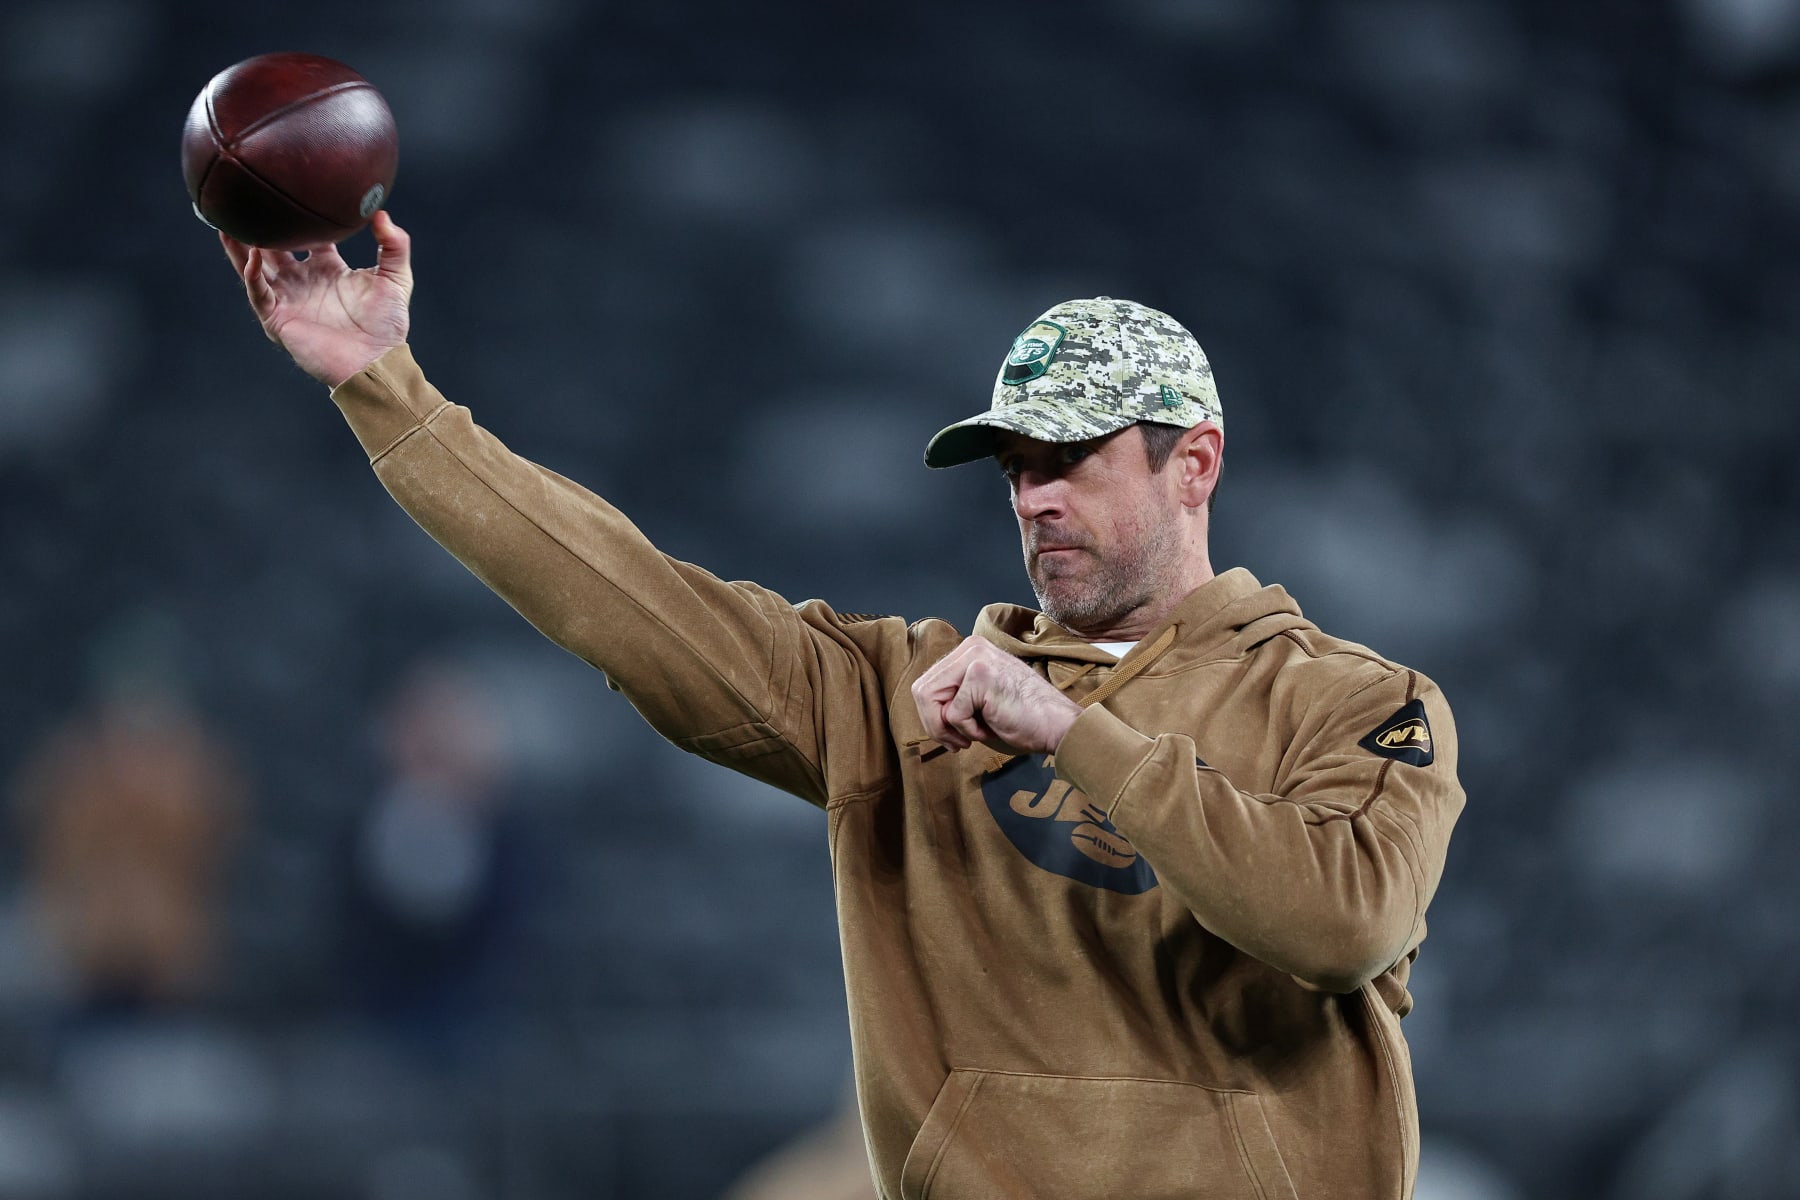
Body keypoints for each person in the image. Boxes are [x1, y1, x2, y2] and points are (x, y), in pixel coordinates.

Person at [219, 213, 1464, 1200]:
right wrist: (385, 385)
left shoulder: (1356, 704)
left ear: (1194, 462)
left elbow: (1340, 923)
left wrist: (1070, 733)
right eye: (1015, 467)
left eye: (1070, 459)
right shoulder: (899, 694)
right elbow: (627, 599)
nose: (1032, 498)